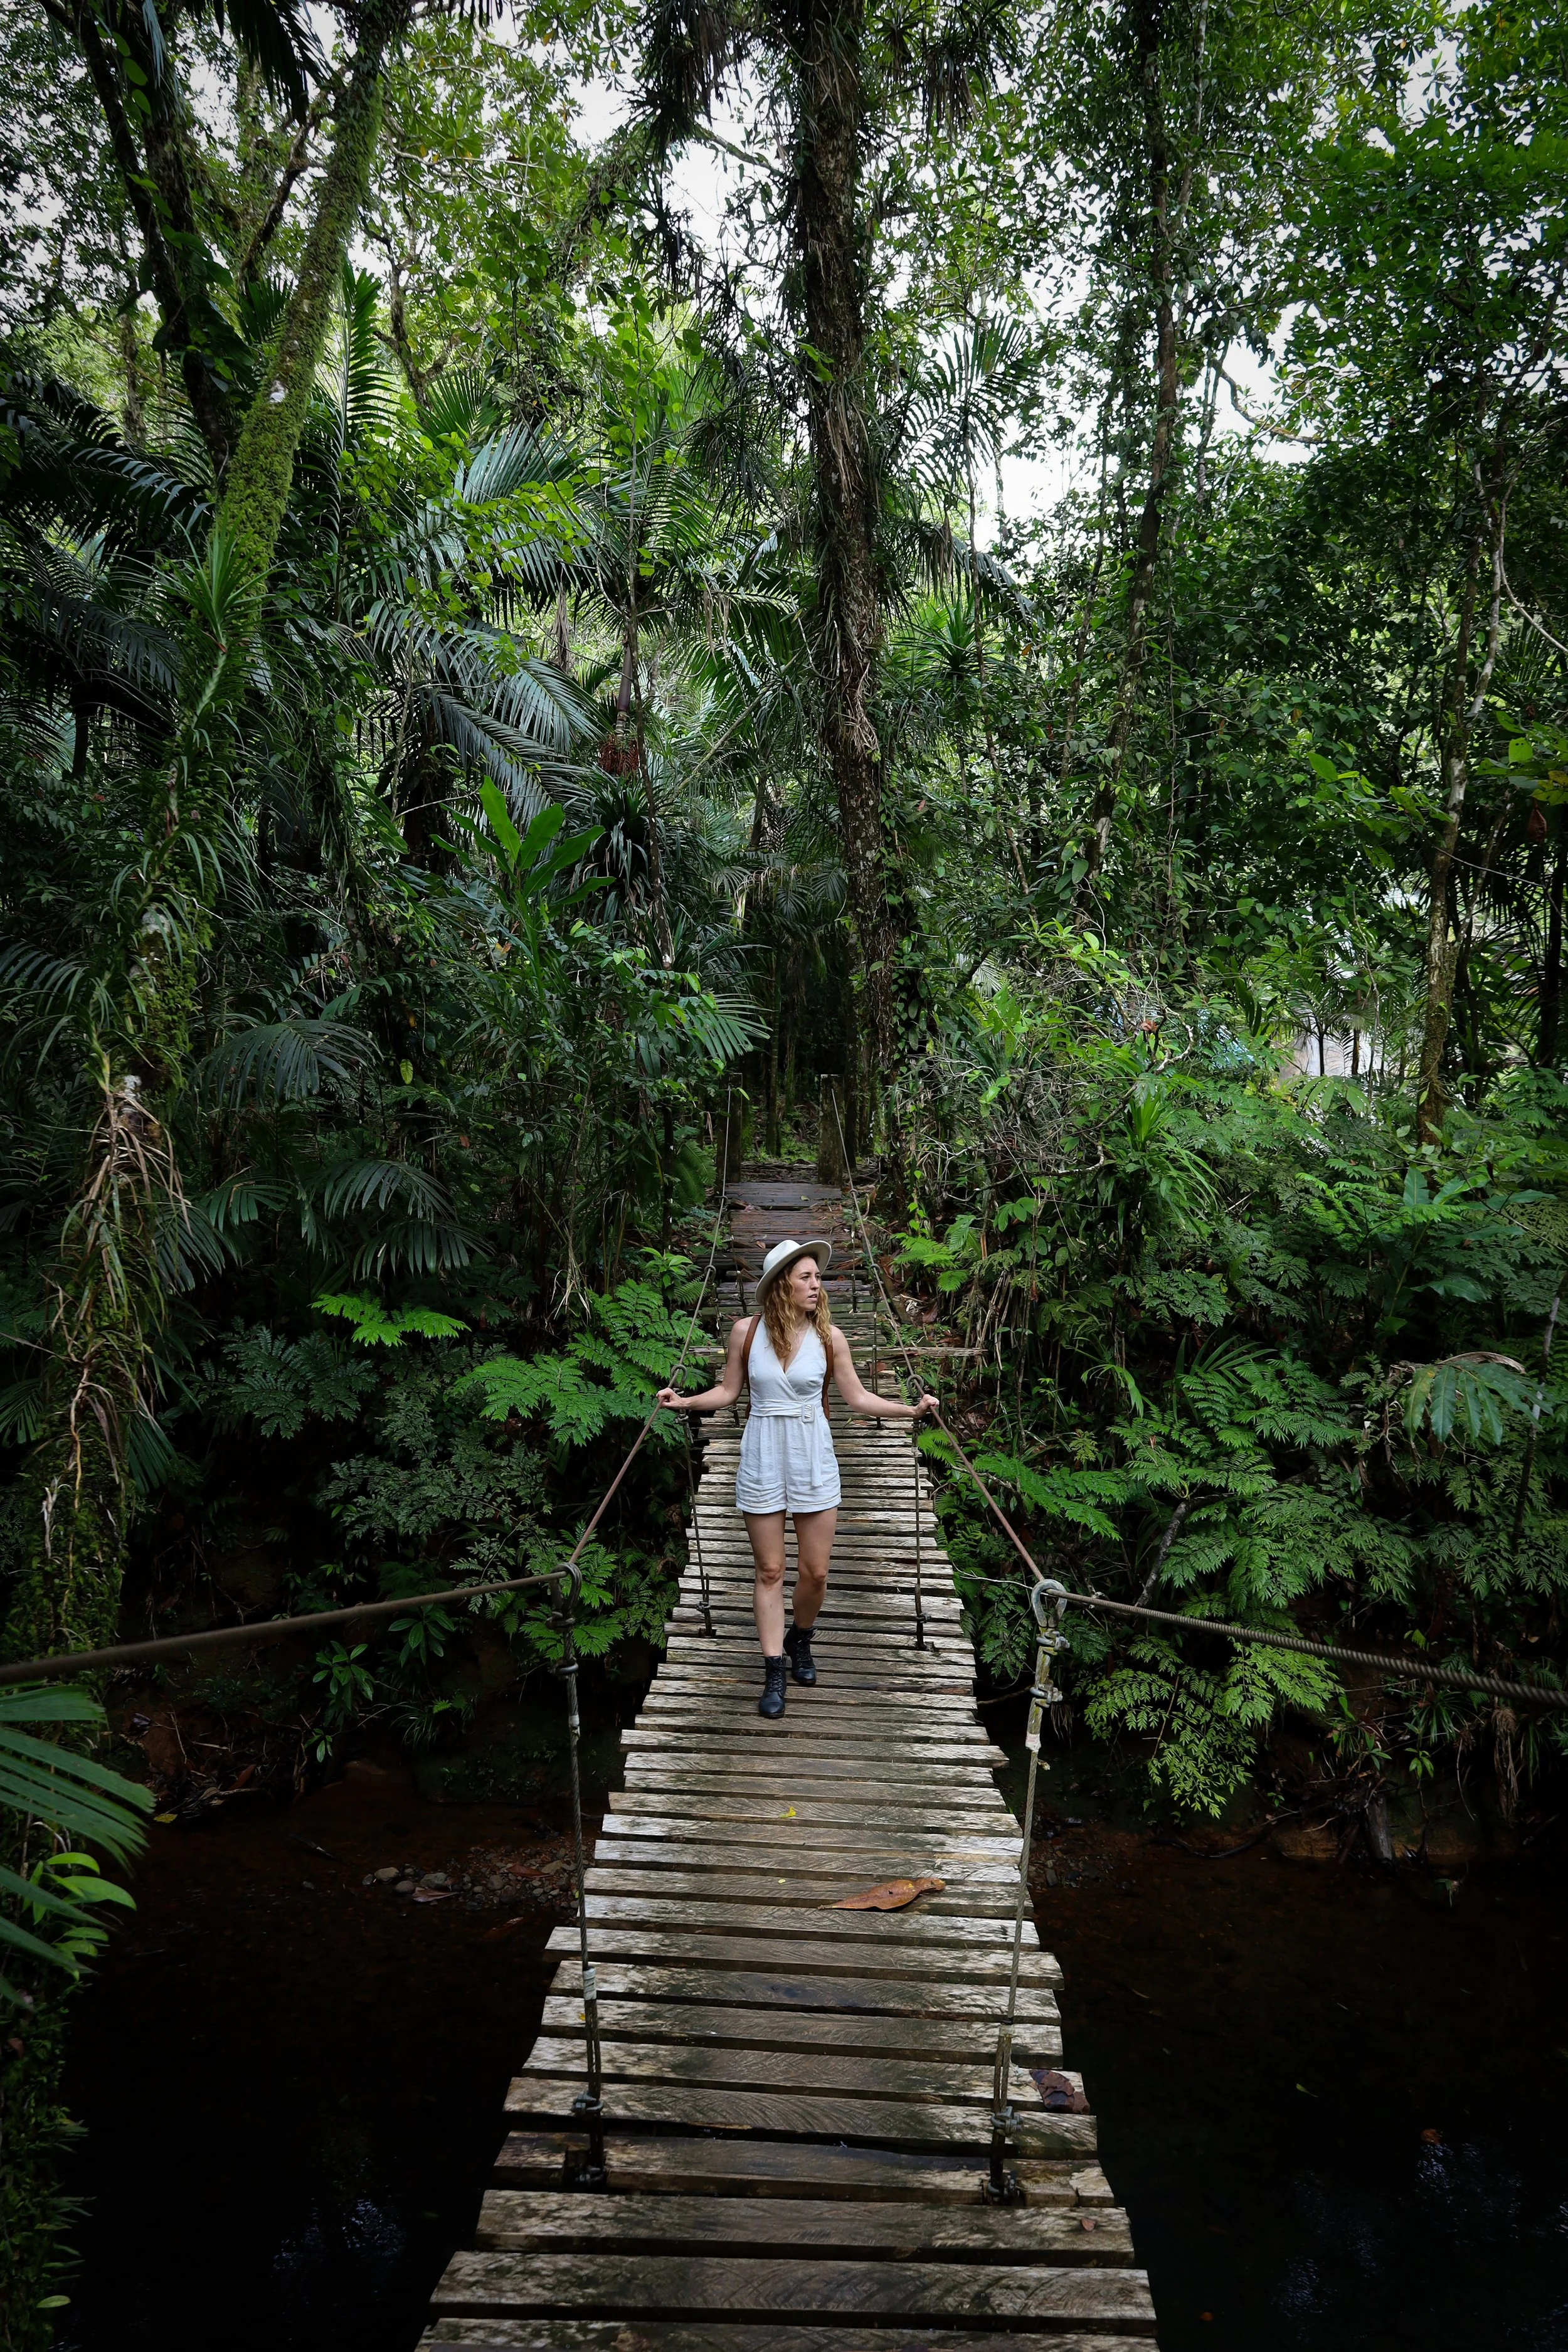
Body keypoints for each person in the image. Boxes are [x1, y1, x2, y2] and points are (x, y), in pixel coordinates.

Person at [657, 1238, 938, 1718]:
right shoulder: (747, 1333)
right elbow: (728, 1392)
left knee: (817, 1571)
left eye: (818, 1277)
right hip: (764, 1454)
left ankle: (800, 1638)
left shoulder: (830, 1337)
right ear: (781, 1285)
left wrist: (908, 1410)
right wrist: (684, 1402)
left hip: (813, 1455)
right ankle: (773, 1670)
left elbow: (858, 1397)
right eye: (806, 1277)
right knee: (770, 1571)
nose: (818, 1286)